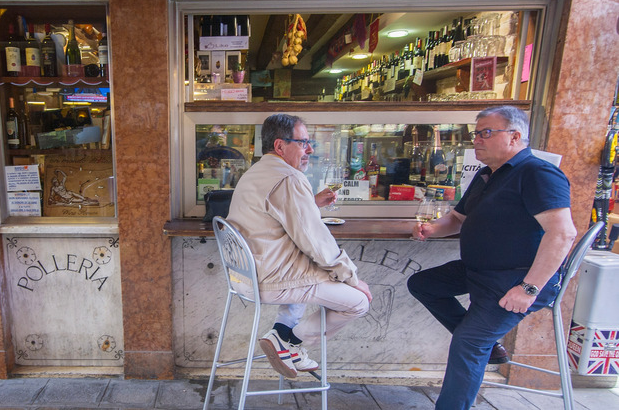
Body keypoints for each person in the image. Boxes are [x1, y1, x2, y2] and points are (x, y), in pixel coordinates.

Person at [406, 105, 577, 410]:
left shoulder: (538, 173)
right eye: (476, 134)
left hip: (515, 279)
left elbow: (562, 234)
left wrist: (529, 288)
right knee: (423, 283)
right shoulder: (487, 174)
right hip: (478, 271)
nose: (477, 140)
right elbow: (457, 220)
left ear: (515, 136)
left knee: (468, 343)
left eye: (486, 133)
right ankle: (490, 344)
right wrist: (432, 228)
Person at [226, 113, 372, 379]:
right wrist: (351, 277)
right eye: (303, 142)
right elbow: (315, 240)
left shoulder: (255, 172)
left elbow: (277, 218)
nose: (310, 150)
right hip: (270, 279)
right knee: (359, 302)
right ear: (281, 146)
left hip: (245, 275)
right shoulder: (289, 178)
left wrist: (310, 204)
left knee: (309, 272)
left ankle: (281, 336)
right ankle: (291, 341)